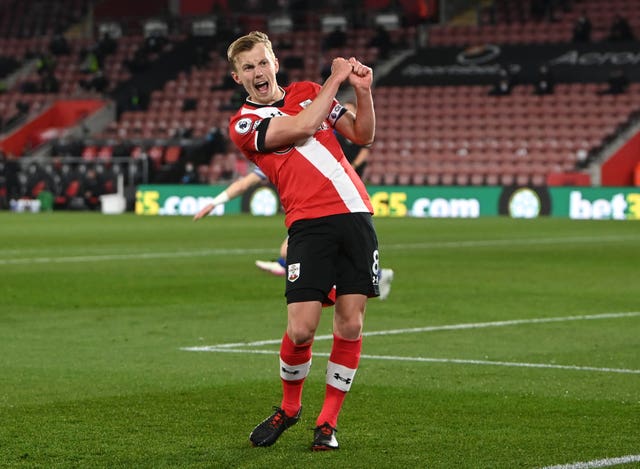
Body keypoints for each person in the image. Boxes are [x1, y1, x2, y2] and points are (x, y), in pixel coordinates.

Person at [222, 30, 382, 451]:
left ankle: (327, 423)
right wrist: (335, 78)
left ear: (275, 62)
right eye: (248, 67)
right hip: (308, 224)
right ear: (237, 78)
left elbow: (362, 135)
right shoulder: (245, 124)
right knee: (300, 329)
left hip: (354, 212)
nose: (258, 72)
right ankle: (289, 408)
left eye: (262, 62)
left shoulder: (310, 91)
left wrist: (362, 91)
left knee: (351, 323)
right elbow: (305, 125)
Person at [193, 165, 394, 300]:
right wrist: (214, 202)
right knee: (294, 252)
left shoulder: (295, 147)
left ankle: (360, 278)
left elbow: (246, 183)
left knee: (291, 252)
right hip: (314, 211)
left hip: (323, 210)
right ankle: (373, 275)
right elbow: (244, 183)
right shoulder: (274, 153)